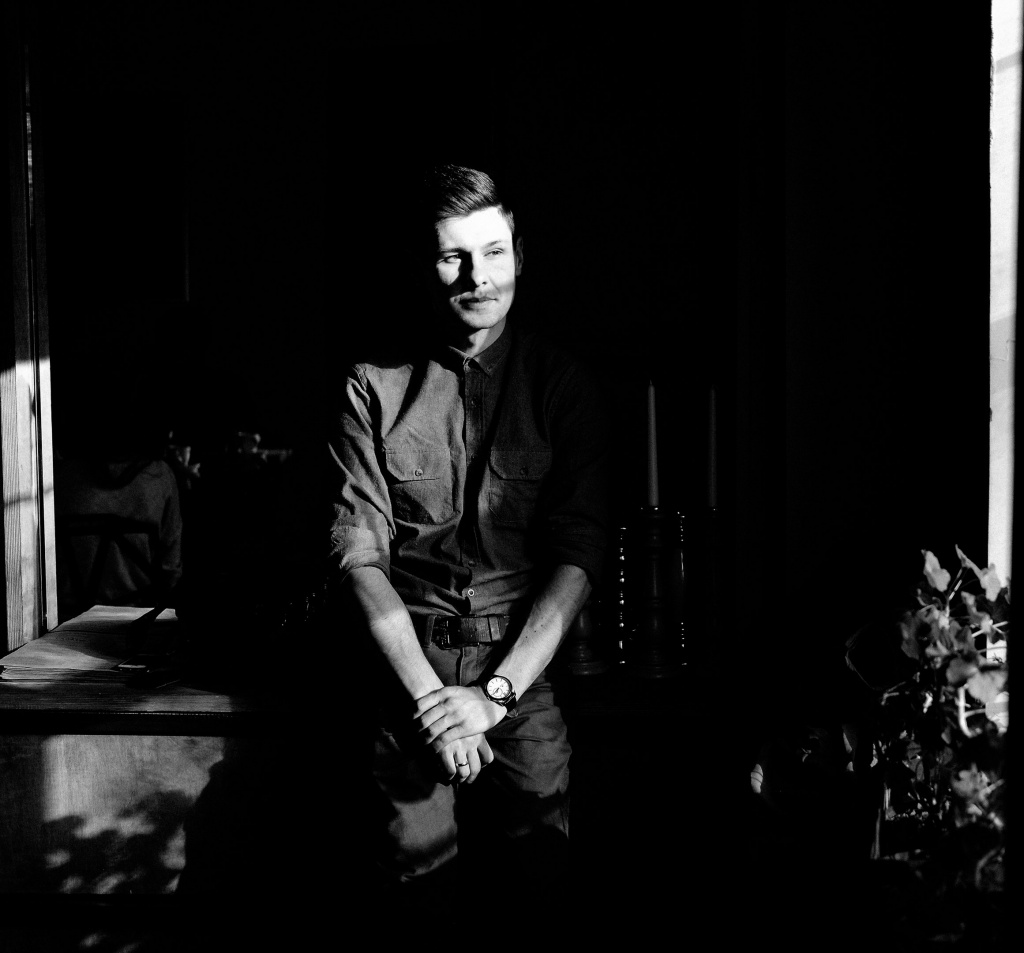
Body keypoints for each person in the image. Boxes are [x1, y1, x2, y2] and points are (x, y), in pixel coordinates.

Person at [326, 163, 609, 911]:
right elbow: (357, 557)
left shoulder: (562, 385)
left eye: (492, 252)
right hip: (405, 673)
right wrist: (432, 703)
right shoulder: (371, 386)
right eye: (453, 256)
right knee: (413, 892)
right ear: (424, 266)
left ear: (518, 253)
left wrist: (494, 695)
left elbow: (577, 558)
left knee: (539, 882)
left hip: (523, 675)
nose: (477, 276)